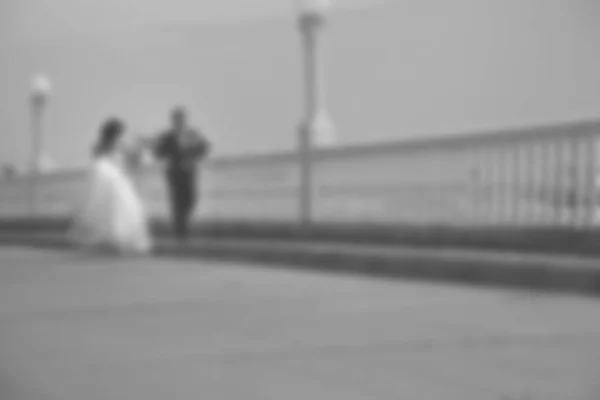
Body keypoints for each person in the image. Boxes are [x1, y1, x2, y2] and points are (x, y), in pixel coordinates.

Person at [69, 118, 152, 254]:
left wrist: (138, 148)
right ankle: (115, 241)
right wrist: (138, 147)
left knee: (110, 211)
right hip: (114, 180)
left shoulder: (101, 145)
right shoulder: (119, 145)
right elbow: (133, 161)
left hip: (109, 180)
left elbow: (97, 162)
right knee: (119, 210)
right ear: (116, 132)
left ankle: (110, 241)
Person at [154, 107, 210, 242]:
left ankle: (182, 229)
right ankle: (181, 234)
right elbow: (158, 152)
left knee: (191, 199)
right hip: (174, 172)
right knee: (177, 203)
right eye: (176, 118)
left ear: (184, 119)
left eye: (181, 118)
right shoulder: (167, 136)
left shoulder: (192, 134)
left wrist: (193, 156)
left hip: (189, 172)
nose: (178, 121)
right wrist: (164, 152)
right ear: (173, 120)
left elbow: (204, 147)